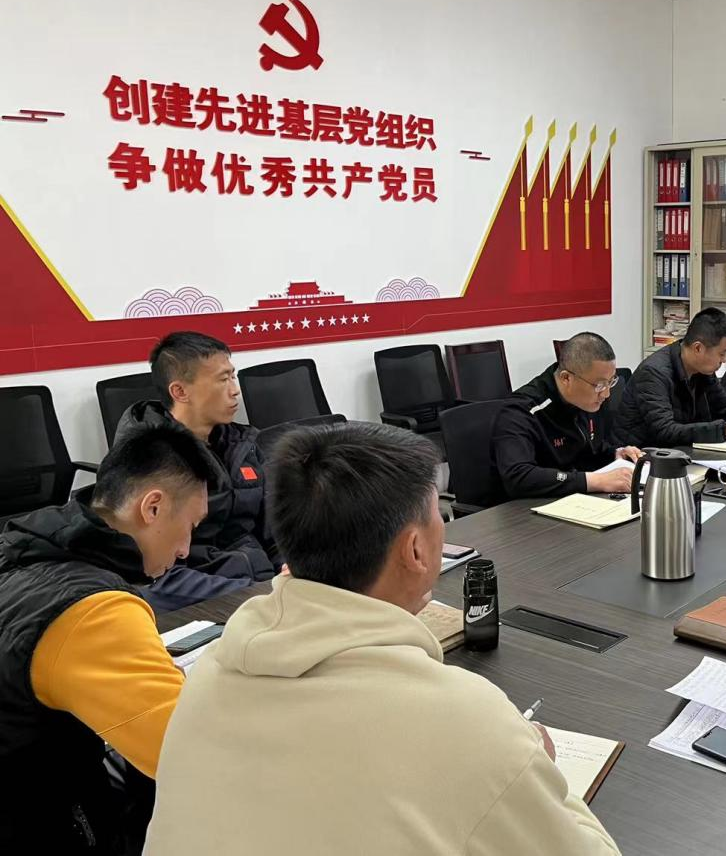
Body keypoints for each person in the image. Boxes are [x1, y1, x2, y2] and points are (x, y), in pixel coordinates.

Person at [143, 423, 620, 856]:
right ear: (415, 549)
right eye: (437, 516)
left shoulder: (209, 674)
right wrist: (538, 766)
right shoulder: (465, 719)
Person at [0, 426, 215, 855]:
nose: (185, 550)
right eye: (190, 526)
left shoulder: (22, 545)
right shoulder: (95, 612)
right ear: (152, 507)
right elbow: (191, 756)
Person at [117, 332, 275, 610]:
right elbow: (156, 577)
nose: (235, 390)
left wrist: (298, 574)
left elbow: (275, 533)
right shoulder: (148, 461)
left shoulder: (241, 445)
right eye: (222, 379)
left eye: (233, 376)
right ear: (180, 392)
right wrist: (255, 594)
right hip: (204, 601)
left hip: (262, 587)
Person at [493, 332, 643, 500]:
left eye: (610, 382)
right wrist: (595, 481)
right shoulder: (521, 411)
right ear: (566, 378)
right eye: (599, 385)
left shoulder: (584, 400)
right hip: (523, 508)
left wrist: (615, 454)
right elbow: (518, 477)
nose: (606, 394)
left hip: (569, 498)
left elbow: (584, 451)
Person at [615, 307, 726, 448]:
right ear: (698, 348)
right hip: (641, 459)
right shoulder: (654, 373)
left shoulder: (702, 369)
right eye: (722, 353)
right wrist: (725, 431)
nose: (724, 360)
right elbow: (665, 431)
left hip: (681, 452)